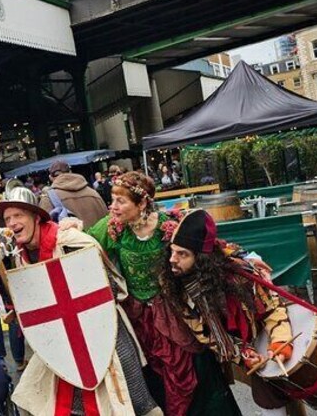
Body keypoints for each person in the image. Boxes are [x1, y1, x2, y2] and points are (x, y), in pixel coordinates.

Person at [85, 172, 245, 415]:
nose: (113, 207)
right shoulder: (111, 228)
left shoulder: (168, 225)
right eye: (112, 200)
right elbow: (83, 243)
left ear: (141, 204)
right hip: (137, 318)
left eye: (120, 201)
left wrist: (238, 260)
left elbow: (205, 245)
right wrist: (69, 226)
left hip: (174, 312)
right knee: (151, 376)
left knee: (192, 367)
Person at [0, 186, 160, 415]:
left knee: (131, 402)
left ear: (36, 217)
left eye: (18, 215)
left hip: (105, 337)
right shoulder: (20, 258)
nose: (11, 223)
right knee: (42, 399)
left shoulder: (71, 241)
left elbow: (108, 290)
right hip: (62, 344)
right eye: (7, 218)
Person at [161, 210, 291, 416]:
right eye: (172, 251)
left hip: (262, 333)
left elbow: (273, 309)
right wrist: (244, 355)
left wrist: (280, 344)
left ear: (202, 259)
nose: (172, 259)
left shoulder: (239, 277)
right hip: (232, 345)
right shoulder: (176, 285)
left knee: (273, 390)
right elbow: (203, 333)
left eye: (182, 254)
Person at [39, 160, 108, 227]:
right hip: (97, 238)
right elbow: (108, 222)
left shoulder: (48, 198)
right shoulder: (93, 193)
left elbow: (43, 231)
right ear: (70, 172)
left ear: (50, 178)